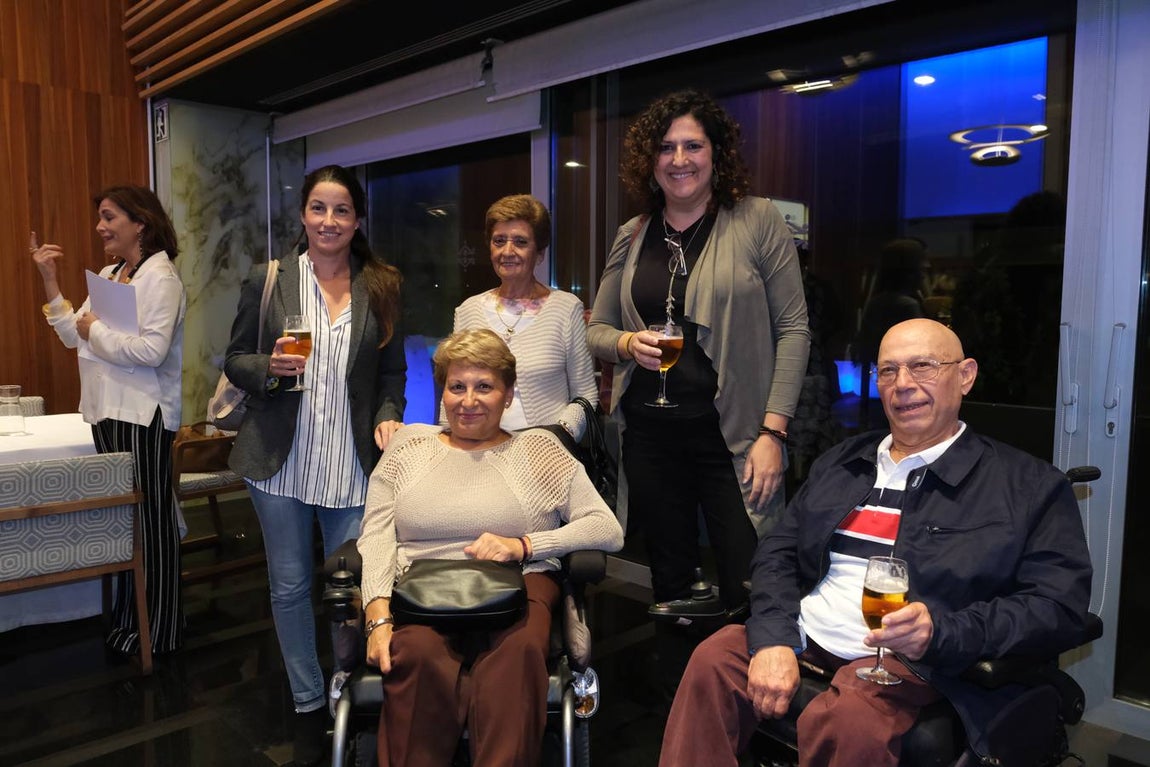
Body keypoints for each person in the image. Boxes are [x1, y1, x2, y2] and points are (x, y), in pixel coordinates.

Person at [657, 318, 1093, 767]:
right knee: (712, 659)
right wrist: (772, 639)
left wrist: (943, 632)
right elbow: (778, 552)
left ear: (965, 376)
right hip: (806, 635)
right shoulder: (844, 462)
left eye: (922, 366)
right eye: (888, 371)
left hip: (912, 662)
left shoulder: (1027, 487)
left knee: (853, 719)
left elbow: (1058, 607)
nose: (902, 384)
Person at [586, 89, 810, 613]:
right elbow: (596, 328)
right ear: (651, 160)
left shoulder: (757, 220)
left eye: (693, 146)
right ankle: (676, 691)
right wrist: (625, 342)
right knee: (670, 582)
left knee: (749, 581)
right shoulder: (633, 232)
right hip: (650, 436)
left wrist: (773, 433)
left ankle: (743, 690)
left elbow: (794, 331)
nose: (679, 160)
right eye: (666, 148)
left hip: (733, 441)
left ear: (716, 154)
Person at [358, 328, 624, 766]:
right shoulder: (408, 446)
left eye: (485, 387)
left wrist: (525, 545)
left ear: (508, 393)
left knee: (517, 656)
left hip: (521, 583)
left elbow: (606, 528)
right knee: (418, 656)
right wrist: (377, 615)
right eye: (456, 386)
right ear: (442, 391)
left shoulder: (538, 448)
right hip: (421, 589)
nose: (468, 400)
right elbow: (377, 535)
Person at [224, 164, 406, 766]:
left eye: (343, 210)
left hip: (351, 463)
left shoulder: (380, 284)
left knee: (350, 584)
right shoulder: (270, 279)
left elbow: (392, 374)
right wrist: (267, 370)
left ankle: (345, 683)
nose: (330, 221)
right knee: (291, 584)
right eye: (319, 209)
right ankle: (308, 697)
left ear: (357, 220)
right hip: (280, 460)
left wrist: (388, 413)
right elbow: (233, 359)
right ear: (304, 215)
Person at [32, 185, 186, 658]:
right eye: (99, 218)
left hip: (143, 416)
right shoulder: (111, 273)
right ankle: (128, 623)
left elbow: (149, 352)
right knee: (127, 525)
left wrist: (93, 329)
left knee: (153, 526)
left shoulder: (162, 279)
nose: (99, 227)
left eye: (108, 217)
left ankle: (158, 632)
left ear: (139, 222)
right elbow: (70, 336)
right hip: (106, 412)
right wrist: (50, 281)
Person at [451, 194, 598, 439]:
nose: (507, 251)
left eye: (520, 242)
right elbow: (454, 390)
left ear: (539, 253)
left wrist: (558, 437)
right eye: (499, 241)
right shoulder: (468, 310)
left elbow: (585, 396)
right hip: (479, 451)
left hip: (545, 456)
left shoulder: (566, 308)